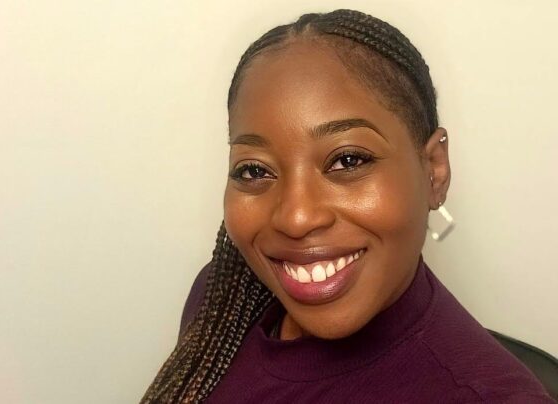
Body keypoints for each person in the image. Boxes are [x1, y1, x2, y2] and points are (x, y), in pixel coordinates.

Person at [141, 9, 554, 403]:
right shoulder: (221, 297)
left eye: (348, 160)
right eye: (253, 170)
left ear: (434, 169)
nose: (296, 217)